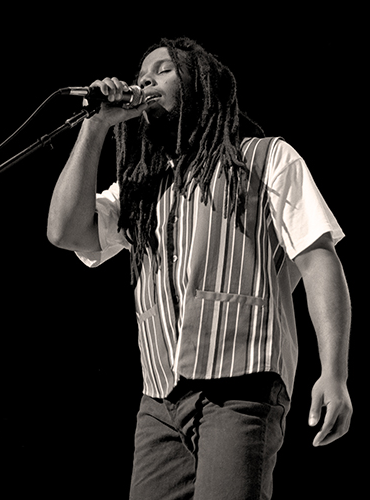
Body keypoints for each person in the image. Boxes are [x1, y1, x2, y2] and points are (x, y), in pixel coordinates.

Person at [47, 37, 353, 500]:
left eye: (165, 69)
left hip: (241, 385)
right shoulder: (139, 185)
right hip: (159, 399)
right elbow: (65, 232)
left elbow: (318, 261)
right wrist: (95, 128)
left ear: (199, 84)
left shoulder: (264, 158)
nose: (146, 79)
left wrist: (335, 373)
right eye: (143, 72)